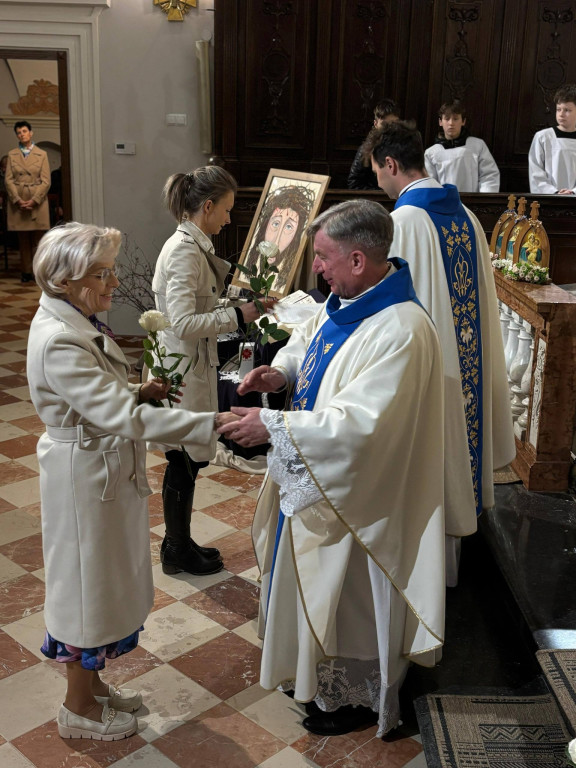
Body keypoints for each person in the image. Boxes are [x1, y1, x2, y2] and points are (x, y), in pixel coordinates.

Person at [218, 200, 446, 737]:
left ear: (359, 260)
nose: (315, 267)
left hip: (362, 499)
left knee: (349, 600)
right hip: (317, 479)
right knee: (314, 586)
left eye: (322, 257)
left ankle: (356, 694)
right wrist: (281, 374)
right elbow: (312, 343)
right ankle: (317, 679)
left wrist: (275, 429)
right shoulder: (346, 300)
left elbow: (362, 425)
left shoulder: (402, 329)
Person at [27, 222, 235, 741]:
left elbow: (101, 400)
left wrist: (137, 389)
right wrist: (207, 421)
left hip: (98, 465)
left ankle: (92, 688)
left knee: (103, 581)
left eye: (111, 270)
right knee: (84, 588)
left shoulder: (75, 320)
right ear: (64, 280)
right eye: (101, 273)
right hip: (82, 476)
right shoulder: (59, 339)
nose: (113, 282)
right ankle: (77, 707)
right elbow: (125, 420)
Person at [364, 120, 515, 584]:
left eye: (376, 172)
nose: (378, 183)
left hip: (430, 373)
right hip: (463, 369)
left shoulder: (403, 222)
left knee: (428, 462)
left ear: (391, 164)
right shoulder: (465, 215)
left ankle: (426, 581)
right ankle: (450, 571)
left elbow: (389, 308)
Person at [150, 166, 274, 576]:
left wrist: (242, 306)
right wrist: (238, 315)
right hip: (183, 371)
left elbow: (195, 312)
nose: (227, 218)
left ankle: (178, 543)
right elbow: (183, 323)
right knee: (183, 457)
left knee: (186, 457)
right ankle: (176, 549)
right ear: (206, 207)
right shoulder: (185, 250)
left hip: (186, 365)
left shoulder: (188, 243)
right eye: (225, 210)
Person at [243, 184, 316, 293]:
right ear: (265, 226)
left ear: (295, 237)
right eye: (276, 223)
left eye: (288, 227)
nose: (276, 241)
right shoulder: (249, 270)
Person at [4, 120, 51, 282]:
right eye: (18, 132)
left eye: (24, 131)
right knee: (23, 239)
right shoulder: (12, 154)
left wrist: (34, 200)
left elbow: (46, 181)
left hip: (37, 200)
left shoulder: (42, 154)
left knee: (39, 240)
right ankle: (26, 272)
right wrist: (17, 199)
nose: (22, 134)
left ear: (31, 133)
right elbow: (8, 180)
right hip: (19, 200)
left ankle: (39, 273)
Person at [424, 100, 500, 193]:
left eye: (455, 119)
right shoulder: (431, 153)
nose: (451, 123)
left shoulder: (477, 145)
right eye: (447, 119)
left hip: (473, 203)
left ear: (463, 121)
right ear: (440, 122)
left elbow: (489, 176)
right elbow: (430, 184)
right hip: (444, 204)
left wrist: (483, 202)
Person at [529, 83, 576, 194]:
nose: (561, 114)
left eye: (567, 110)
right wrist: (554, 192)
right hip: (550, 198)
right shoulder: (543, 137)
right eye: (558, 109)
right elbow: (535, 171)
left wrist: (573, 192)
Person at [347, 98, 401, 190]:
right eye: (384, 124)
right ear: (375, 124)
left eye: (393, 124)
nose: (389, 128)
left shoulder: (404, 146)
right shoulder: (367, 149)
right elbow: (354, 183)